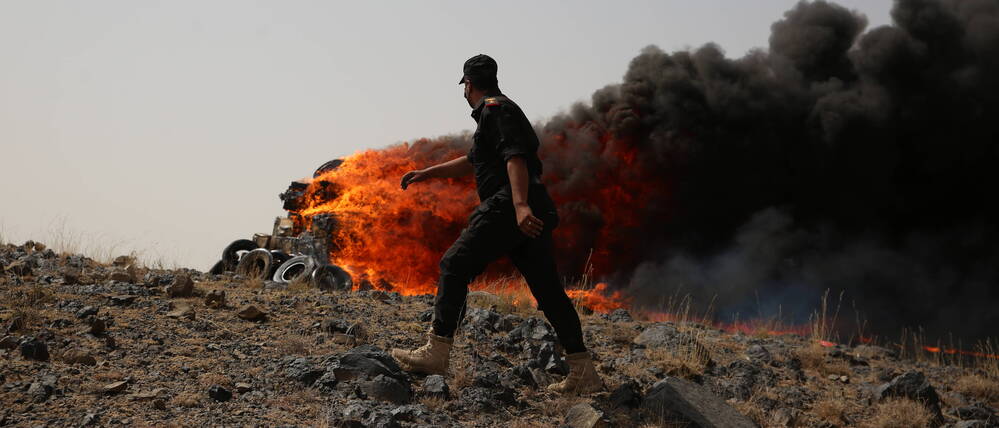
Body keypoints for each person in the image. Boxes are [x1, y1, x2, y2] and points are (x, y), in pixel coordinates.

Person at [390, 54, 603, 394]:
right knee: (548, 290)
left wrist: (518, 205)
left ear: (468, 85)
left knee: (454, 264)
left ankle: (436, 352)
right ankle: (583, 372)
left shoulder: (496, 110)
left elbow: (514, 156)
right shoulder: (497, 113)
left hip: (509, 207)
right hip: (528, 208)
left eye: (464, 86)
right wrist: (426, 174)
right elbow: (472, 160)